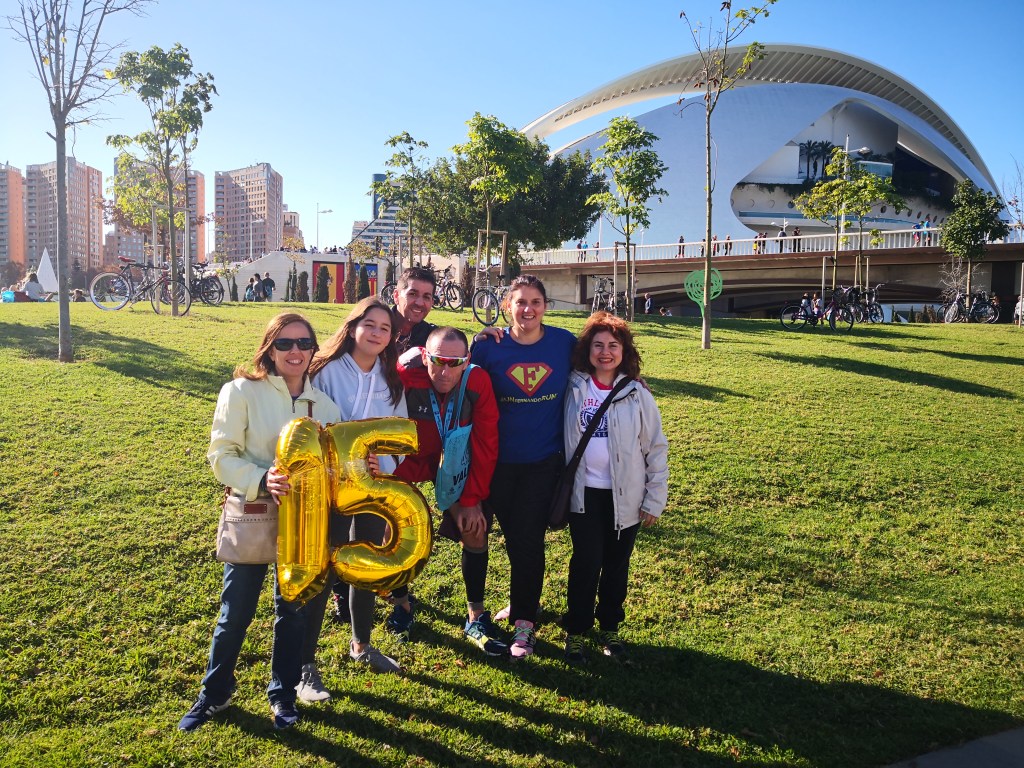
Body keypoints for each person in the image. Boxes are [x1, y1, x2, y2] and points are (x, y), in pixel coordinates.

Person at [178, 313, 341, 732]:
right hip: (254, 514)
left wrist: (356, 465)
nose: (295, 352)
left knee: (293, 613)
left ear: (313, 349)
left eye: (304, 343)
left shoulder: (325, 407)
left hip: (305, 524)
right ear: (269, 347)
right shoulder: (241, 391)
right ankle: (215, 693)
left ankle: (282, 695)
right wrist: (261, 479)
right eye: (285, 344)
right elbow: (221, 455)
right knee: (236, 613)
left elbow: (333, 469)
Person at [301, 297, 408, 691]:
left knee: (362, 563)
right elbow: (306, 423)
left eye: (386, 328)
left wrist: (387, 466)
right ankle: (305, 665)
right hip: (327, 487)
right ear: (353, 326)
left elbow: (396, 433)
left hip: (368, 488)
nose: (378, 333)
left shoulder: (390, 378)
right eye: (371, 324)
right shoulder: (326, 371)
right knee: (325, 568)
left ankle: (361, 644)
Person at [471, 275, 576, 659]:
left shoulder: (564, 343)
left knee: (527, 540)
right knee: (499, 538)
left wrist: (635, 378)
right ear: (506, 307)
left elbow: (604, 363)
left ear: (546, 306)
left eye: (535, 302)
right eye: (520, 303)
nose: (528, 309)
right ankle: (511, 606)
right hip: (494, 462)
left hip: (543, 462)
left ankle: (525, 624)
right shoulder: (488, 348)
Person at [561, 313, 668, 664]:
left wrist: (655, 499)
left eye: (613, 345)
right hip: (585, 494)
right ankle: (576, 630)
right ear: (587, 350)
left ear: (624, 351)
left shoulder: (637, 393)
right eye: (598, 345)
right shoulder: (573, 386)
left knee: (616, 564)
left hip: (627, 496)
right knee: (586, 562)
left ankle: (609, 628)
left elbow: (655, 447)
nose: (605, 352)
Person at [392, 327, 506, 655]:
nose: (444, 371)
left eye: (454, 362)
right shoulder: (405, 375)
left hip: (453, 462)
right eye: (438, 360)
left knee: (475, 528)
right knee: (393, 527)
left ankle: (476, 615)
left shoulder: (477, 381)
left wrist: (470, 501)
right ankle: (402, 604)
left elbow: (486, 443)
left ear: (467, 361)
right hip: (409, 461)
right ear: (425, 356)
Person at [391, 267, 437, 355]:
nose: (419, 303)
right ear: (396, 296)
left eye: (426, 297)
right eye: (412, 294)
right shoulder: (374, 329)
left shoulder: (433, 339)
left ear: (432, 302)